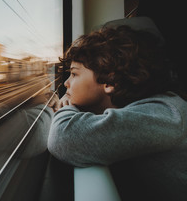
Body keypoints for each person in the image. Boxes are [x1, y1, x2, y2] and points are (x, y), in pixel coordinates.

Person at [47, 24, 187, 201]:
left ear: (109, 81)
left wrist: (67, 108)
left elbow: (65, 138)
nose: (66, 83)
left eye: (74, 74)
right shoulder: (133, 110)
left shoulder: (165, 114)